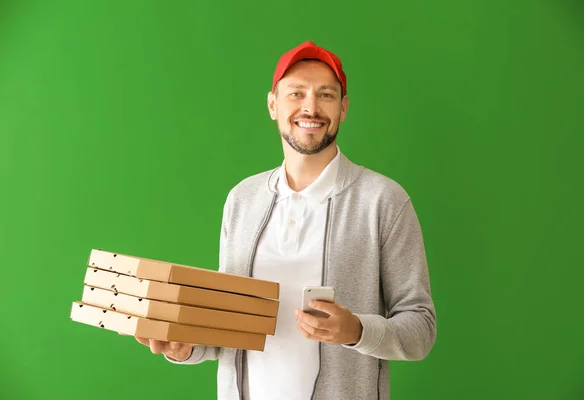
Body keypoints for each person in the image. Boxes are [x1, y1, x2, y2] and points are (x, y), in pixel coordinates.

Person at [132, 41, 437, 400]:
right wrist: (186, 349)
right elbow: (230, 327)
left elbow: (420, 329)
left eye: (326, 95)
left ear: (343, 108)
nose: (311, 106)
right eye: (296, 93)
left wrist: (355, 330)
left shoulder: (383, 200)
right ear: (273, 105)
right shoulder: (242, 200)